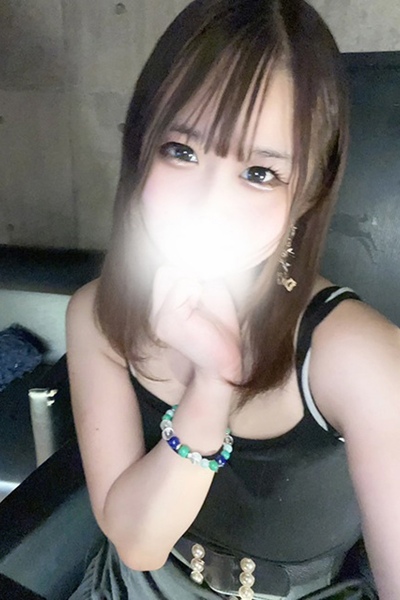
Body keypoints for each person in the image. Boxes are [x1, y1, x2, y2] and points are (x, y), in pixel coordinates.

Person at [66, 1, 400, 598]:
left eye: (259, 173)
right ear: (140, 149)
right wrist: (211, 388)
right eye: (182, 150)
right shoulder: (98, 316)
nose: (208, 204)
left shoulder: (360, 356)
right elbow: (138, 545)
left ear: (307, 194)